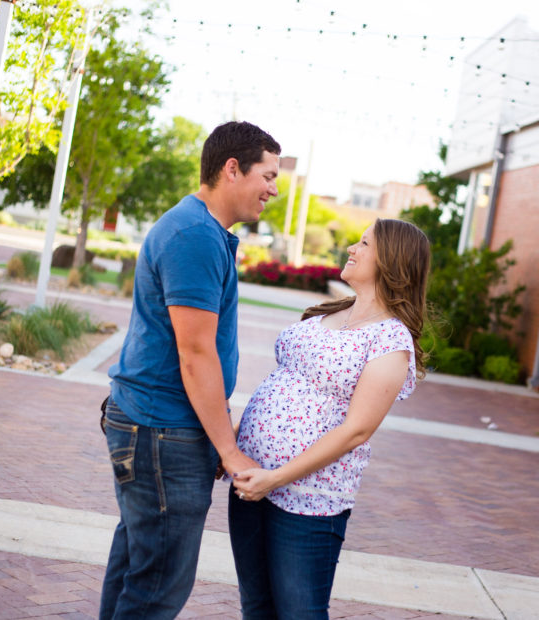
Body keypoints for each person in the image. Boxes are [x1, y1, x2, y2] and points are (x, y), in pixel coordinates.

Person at [99, 121, 281, 619]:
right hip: (163, 432)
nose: (274, 189)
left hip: (161, 427)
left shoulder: (201, 230)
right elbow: (196, 355)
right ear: (231, 168)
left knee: (138, 570)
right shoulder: (195, 236)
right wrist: (228, 447)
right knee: (157, 588)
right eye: (267, 175)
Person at [228, 218, 431, 618]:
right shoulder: (330, 312)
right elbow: (284, 383)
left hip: (308, 500)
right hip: (252, 480)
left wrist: (276, 478)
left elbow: (357, 430)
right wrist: (233, 442)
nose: (352, 249)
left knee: (300, 611)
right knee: (256, 607)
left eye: (363, 243)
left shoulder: (390, 340)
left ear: (391, 260)